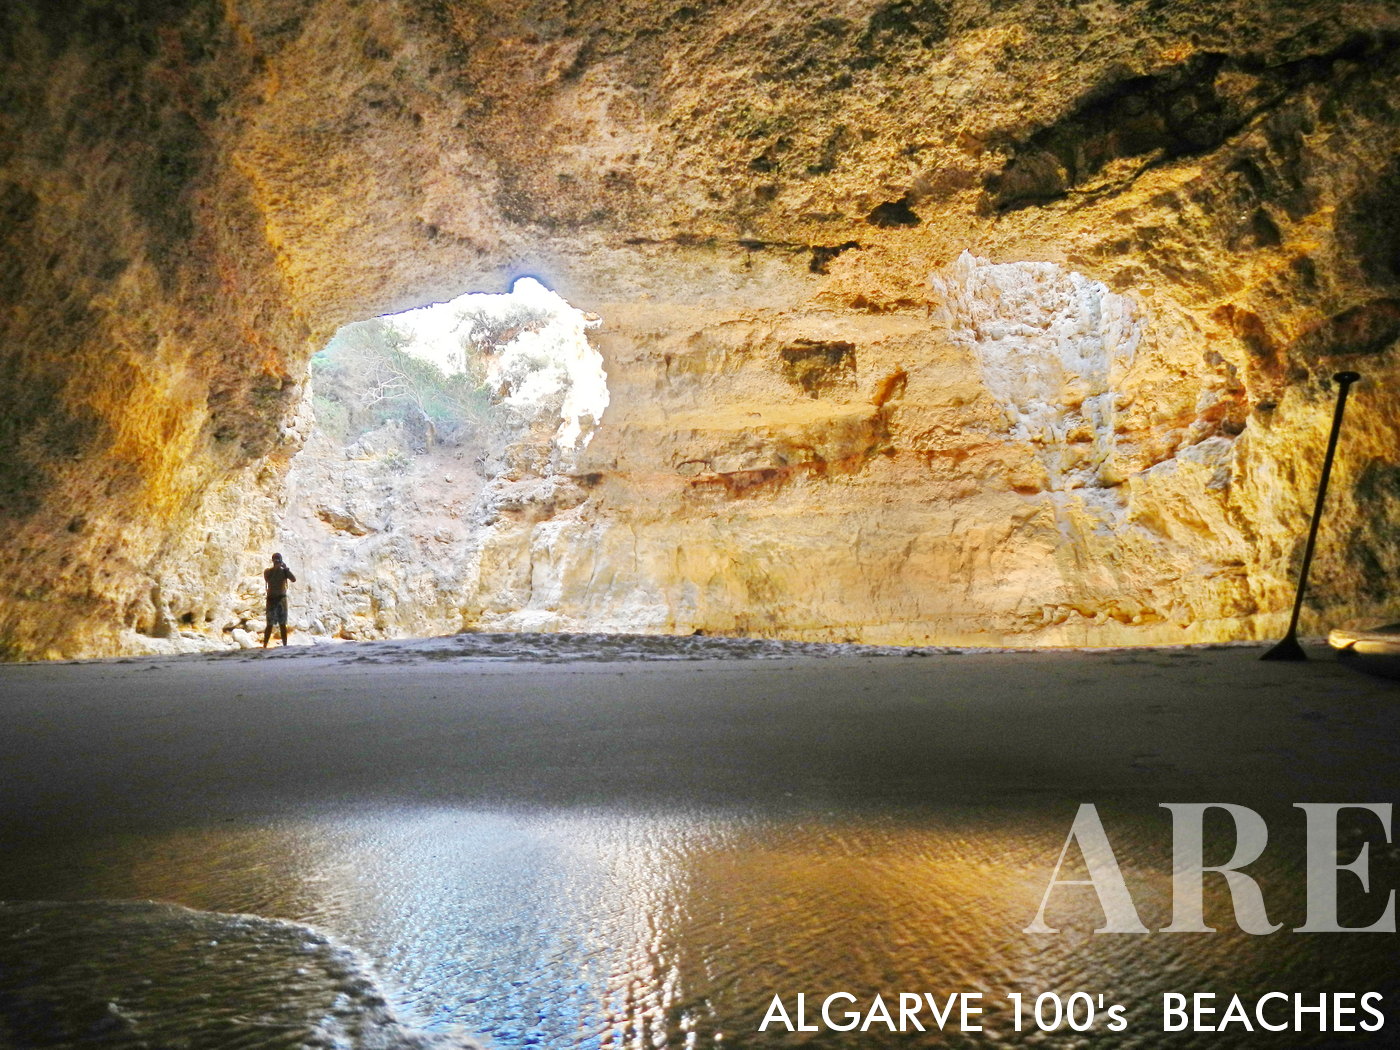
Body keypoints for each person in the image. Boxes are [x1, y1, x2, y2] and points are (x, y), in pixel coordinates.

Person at [262, 553, 297, 648]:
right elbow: (267, 578)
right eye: (275, 559)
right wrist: (277, 569)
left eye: (278, 559)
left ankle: (285, 645)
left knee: (282, 624)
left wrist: (285, 569)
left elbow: (293, 579)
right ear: (272, 561)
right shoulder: (268, 571)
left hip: (281, 599)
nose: (276, 561)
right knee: (269, 624)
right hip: (271, 599)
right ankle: (265, 645)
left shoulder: (284, 572)